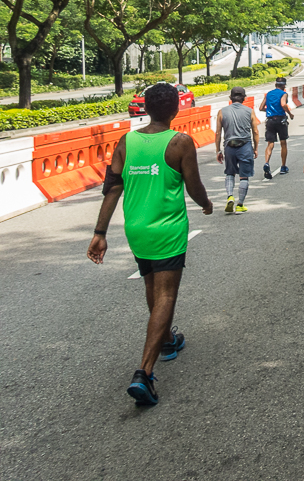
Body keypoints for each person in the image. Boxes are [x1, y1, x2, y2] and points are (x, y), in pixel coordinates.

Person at [87, 82, 214, 406]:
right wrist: (206, 204)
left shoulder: (126, 142)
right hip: (168, 229)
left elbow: (112, 188)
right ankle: (144, 371)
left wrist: (100, 233)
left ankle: (168, 339)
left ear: (145, 107)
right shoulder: (180, 142)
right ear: (175, 109)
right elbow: (194, 185)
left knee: (152, 285)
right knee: (166, 293)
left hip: (137, 229)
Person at [215, 86, 260, 213]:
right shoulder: (249, 111)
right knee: (244, 176)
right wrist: (255, 148)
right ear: (244, 98)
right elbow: (255, 131)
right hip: (245, 146)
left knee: (230, 173)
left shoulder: (222, 112)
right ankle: (240, 204)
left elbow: (218, 133)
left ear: (230, 97)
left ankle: (230, 196)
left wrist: (218, 151)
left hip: (229, 147)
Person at [259, 77, 294, 179]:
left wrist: (269, 111)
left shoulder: (268, 94)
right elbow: (283, 104)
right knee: (283, 143)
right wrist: (290, 114)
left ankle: (266, 163)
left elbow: (261, 108)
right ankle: (283, 167)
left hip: (270, 120)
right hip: (280, 120)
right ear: (284, 86)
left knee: (270, 144)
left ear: (275, 85)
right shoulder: (283, 94)